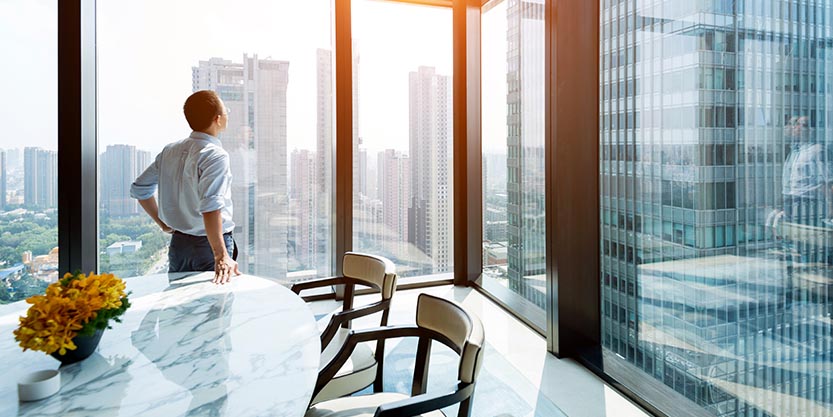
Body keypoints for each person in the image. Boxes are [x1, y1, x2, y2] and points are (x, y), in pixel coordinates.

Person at [130, 90, 240, 284]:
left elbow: (140, 189)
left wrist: (162, 223)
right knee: (214, 310)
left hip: (179, 245)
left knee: (179, 308)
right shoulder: (215, 155)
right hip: (209, 247)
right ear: (218, 119)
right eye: (226, 111)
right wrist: (221, 255)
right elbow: (211, 206)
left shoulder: (170, 150)